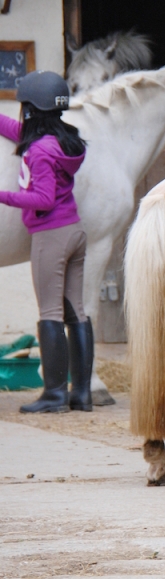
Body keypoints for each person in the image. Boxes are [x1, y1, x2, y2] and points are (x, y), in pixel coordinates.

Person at [0, 71, 93, 414]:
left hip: (51, 235)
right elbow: (14, 131)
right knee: (77, 313)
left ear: (31, 108)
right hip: (75, 231)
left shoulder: (38, 151)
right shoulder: (62, 141)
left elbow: (42, 198)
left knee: (51, 312)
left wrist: (3, 196)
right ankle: (81, 394)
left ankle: (54, 394)